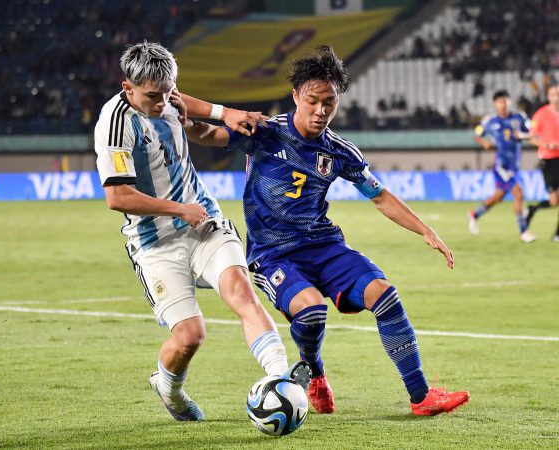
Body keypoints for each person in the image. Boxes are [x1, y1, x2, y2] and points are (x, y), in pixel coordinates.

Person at [183, 45, 470, 416]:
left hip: (324, 245)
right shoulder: (266, 133)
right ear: (295, 97)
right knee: (313, 311)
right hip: (273, 255)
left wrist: (425, 230)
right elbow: (209, 135)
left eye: (329, 103)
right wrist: (181, 120)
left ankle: (420, 396)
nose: (321, 112)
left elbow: (379, 196)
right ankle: (314, 371)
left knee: (385, 295)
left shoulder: (340, 151)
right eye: (313, 101)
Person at [93, 41, 309, 422]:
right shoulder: (115, 123)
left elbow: (184, 104)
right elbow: (117, 196)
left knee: (241, 291)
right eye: (152, 96)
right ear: (128, 88)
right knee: (190, 336)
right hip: (155, 242)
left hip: (204, 221)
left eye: (167, 92)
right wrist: (179, 209)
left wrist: (227, 113)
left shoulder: (168, 97)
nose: (163, 103)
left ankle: (279, 380)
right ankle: (170, 390)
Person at [468, 90, 534, 243]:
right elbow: (477, 134)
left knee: (497, 198)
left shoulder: (520, 118)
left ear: (510, 102)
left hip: (514, 166)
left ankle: (474, 215)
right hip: (501, 166)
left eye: (505, 101)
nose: (503, 105)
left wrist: (522, 136)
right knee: (519, 193)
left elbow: (532, 133)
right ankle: (524, 231)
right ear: (495, 104)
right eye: (500, 102)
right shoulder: (490, 121)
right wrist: (484, 142)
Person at [525, 83, 559, 242]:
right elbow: (532, 138)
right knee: (554, 201)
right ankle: (533, 209)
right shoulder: (541, 114)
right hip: (548, 159)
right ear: (548, 97)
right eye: (553, 94)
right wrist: (547, 145)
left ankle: (557, 234)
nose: (556, 97)